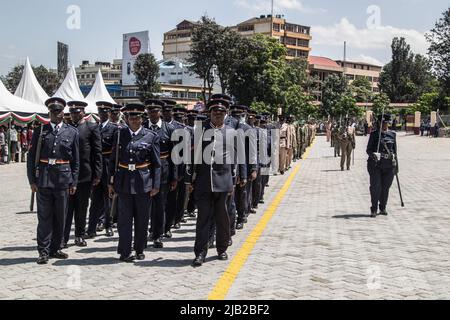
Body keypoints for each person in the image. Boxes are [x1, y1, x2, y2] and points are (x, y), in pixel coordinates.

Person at [27, 97, 80, 264]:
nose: (57, 114)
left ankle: (56, 248)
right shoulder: (40, 130)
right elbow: (31, 157)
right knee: (44, 217)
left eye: (59, 112)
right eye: (53, 112)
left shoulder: (72, 132)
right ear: (49, 113)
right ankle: (43, 250)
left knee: (61, 216)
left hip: (63, 179)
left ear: (63, 113)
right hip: (43, 178)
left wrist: (74, 181)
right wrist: (32, 180)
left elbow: (76, 160)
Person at [108, 103, 161, 262]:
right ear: (127, 118)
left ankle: (139, 248)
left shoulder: (151, 136)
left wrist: (155, 184)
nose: (135, 120)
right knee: (124, 220)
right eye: (132, 117)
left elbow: (156, 163)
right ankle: (124, 251)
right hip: (123, 181)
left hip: (143, 181)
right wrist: (110, 181)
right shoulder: (119, 135)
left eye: (138, 117)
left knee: (142, 218)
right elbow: (113, 160)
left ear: (142, 118)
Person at [187, 98, 235, 267]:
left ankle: (222, 249)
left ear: (225, 114)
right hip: (203, 182)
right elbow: (192, 158)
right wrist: (189, 180)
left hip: (223, 182)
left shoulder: (231, 132)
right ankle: (200, 252)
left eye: (221, 113)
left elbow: (237, 158)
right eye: (215, 113)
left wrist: (235, 180)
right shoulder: (200, 131)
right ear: (210, 114)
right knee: (203, 219)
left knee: (223, 219)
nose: (218, 115)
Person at [63, 101, 102, 248]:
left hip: (85, 174)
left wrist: (97, 173)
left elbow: (97, 152)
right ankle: (63, 237)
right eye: (72, 112)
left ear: (83, 113)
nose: (74, 115)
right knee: (67, 208)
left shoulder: (91, 127)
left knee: (81, 207)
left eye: (77, 112)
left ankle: (79, 235)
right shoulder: (66, 128)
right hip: (67, 174)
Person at [144, 99, 178, 249]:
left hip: (163, 171)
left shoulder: (169, 129)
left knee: (159, 205)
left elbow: (175, 155)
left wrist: (174, 176)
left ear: (160, 112)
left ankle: (158, 234)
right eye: (150, 111)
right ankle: (143, 234)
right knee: (143, 206)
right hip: (144, 171)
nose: (153, 114)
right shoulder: (143, 127)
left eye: (155, 111)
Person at [87, 102, 118, 238]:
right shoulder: (94, 128)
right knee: (95, 199)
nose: (104, 114)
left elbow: (116, 150)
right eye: (101, 112)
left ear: (109, 113)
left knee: (108, 199)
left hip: (108, 164)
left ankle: (108, 225)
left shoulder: (114, 129)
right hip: (96, 166)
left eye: (106, 112)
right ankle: (92, 227)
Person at [366, 114, 398, 218]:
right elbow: (368, 149)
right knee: (375, 187)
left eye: (386, 123)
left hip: (389, 165)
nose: (384, 125)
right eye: (383, 123)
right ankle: (374, 208)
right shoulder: (374, 134)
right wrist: (374, 155)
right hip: (375, 165)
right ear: (379, 123)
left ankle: (383, 207)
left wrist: (396, 166)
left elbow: (395, 151)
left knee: (385, 187)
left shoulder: (392, 134)